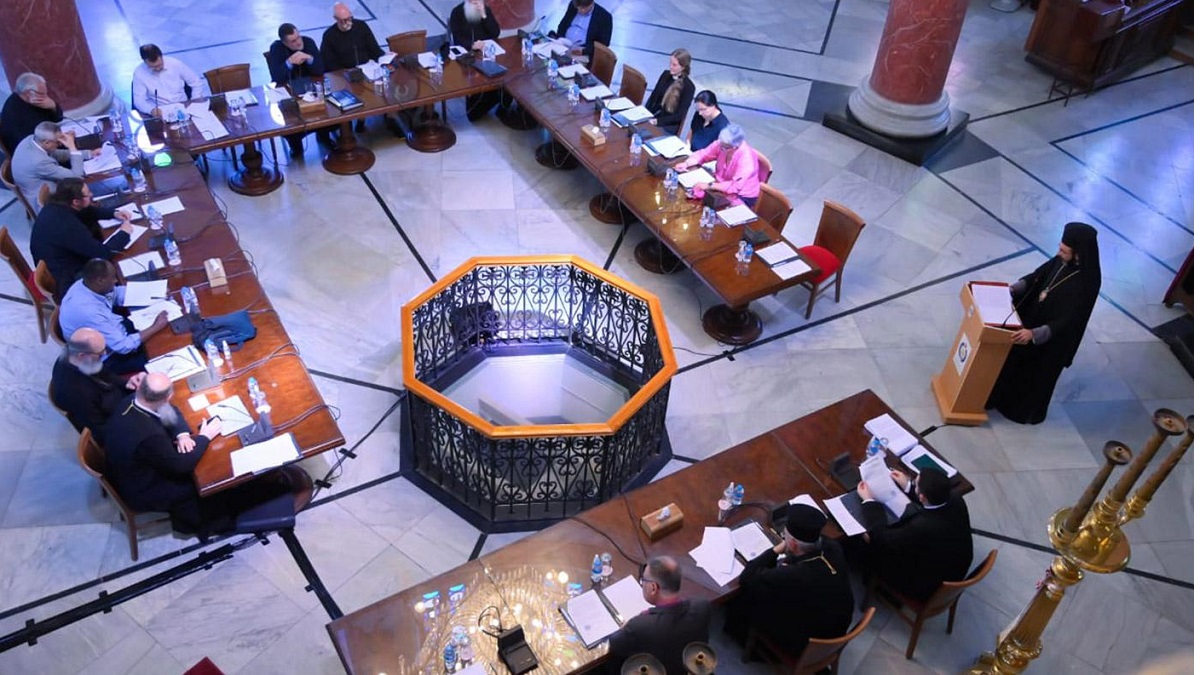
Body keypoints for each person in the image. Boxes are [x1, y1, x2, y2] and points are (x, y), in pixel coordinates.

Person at [104, 373, 312, 538]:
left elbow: (171, 410)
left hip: (137, 467)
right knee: (212, 477)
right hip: (147, 488)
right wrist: (205, 436)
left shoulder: (132, 401)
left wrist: (183, 433)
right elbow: (181, 465)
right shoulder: (147, 437)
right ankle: (227, 517)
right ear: (165, 396)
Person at [987, 222, 1103, 424]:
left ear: (1078, 254)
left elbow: (1071, 320)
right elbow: (1037, 277)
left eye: (1064, 251)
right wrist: (1015, 289)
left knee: (1032, 378)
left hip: (1051, 340)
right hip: (1031, 323)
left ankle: (1018, 411)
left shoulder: (1088, 281)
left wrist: (1036, 334)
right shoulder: (1061, 261)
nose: (1059, 253)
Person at [724, 504, 854, 657]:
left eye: (785, 535)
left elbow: (748, 577)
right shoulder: (834, 549)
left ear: (792, 544)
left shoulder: (794, 575)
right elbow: (822, 540)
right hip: (834, 631)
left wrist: (776, 549)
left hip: (803, 644)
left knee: (746, 598)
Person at [856, 469, 974, 601]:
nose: (913, 484)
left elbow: (882, 538)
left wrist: (868, 501)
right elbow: (932, 500)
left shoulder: (921, 527)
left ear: (922, 497)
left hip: (926, 585)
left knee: (868, 541)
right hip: (953, 567)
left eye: (915, 484)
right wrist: (908, 486)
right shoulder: (955, 498)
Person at [58, 259, 169, 374]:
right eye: (112, 278)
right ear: (100, 280)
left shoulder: (86, 285)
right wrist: (156, 326)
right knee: (163, 353)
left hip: (112, 334)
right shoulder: (89, 312)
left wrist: (154, 292)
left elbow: (115, 294)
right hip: (106, 358)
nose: (116, 280)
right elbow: (123, 346)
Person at [30, 178, 133, 301]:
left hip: (60, 260)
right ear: (75, 201)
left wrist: (113, 213)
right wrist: (124, 233)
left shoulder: (57, 204)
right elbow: (102, 253)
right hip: (67, 277)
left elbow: (87, 211)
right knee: (118, 272)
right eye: (87, 195)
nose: (91, 195)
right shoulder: (66, 225)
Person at [606, 556, 711, 675]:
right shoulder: (703, 606)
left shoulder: (640, 625)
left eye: (643, 581)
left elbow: (614, 645)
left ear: (653, 587)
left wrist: (626, 626)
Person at [50, 327, 146, 437]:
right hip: (118, 423)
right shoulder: (77, 392)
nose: (104, 353)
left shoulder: (75, 357)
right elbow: (101, 430)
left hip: (120, 403)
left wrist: (127, 383)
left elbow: (108, 376)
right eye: (100, 354)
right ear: (82, 356)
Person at [269, 23, 333, 155]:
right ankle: (296, 145)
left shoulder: (308, 42)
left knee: (329, 111)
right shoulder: (276, 49)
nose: (299, 42)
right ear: (284, 43)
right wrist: (289, 62)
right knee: (290, 120)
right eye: (293, 41)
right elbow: (276, 77)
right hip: (290, 93)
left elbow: (320, 69)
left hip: (311, 90)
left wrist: (309, 59)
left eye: (299, 37)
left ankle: (324, 135)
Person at [674, 124, 761, 208]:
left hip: (741, 195)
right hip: (719, 185)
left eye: (724, 147)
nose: (720, 148)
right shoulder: (723, 144)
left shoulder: (746, 160)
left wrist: (709, 185)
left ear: (735, 147)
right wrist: (686, 163)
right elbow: (703, 154)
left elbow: (734, 186)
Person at [10, 121, 87, 212]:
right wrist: (72, 147)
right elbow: (77, 178)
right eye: (58, 142)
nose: (61, 144)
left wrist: (88, 154)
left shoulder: (31, 139)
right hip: (46, 202)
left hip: (35, 188)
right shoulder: (39, 162)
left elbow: (56, 154)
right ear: (47, 143)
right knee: (86, 196)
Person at [449, 0, 503, 120]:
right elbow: (457, 38)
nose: (476, 3)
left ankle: (501, 103)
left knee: (504, 77)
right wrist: (472, 45)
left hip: (487, 55)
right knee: (473, 114)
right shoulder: (457, 12)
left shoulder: (485, 10)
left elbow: (495, 33)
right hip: (468, 58)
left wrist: (484, 15)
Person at [130, 44, 209, 117]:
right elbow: (139, 100)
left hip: (184, 107)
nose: (157, 69)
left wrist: (194, 100)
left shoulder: (175, 64)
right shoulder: (139, 73)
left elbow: (196, 83)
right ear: (145, 62)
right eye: (153, 67)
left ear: (161, 56)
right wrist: (151, 110)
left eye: (159, 65)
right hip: (161, 111)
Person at [0, 72, 64, 154]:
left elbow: (58, 119)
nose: (45, 97)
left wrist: (53, 106)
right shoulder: (16, 113)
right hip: (34, 154)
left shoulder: (32, 100)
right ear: (29, 93)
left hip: (47, 141)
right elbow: (37, 142)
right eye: (42, 94)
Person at [645, 49, 695, 136]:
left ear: (683, 67)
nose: (670, 67)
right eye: (670, 63)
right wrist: (645, 113)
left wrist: (658, 121)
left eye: (674, 65)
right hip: (653, 116)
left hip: (667, 125)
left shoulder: (689, 87)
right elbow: (653, 97)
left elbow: (679, 115)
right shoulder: (665, 75)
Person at [320, 3, 383, 70]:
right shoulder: (329, 35)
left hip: (367, 68)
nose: (348, 22)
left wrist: (385, 58)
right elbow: (328, 63)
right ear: (336, 19)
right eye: (344, 20)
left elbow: (375, 49)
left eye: (349, 18)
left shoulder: (361, 26)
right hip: (344, 73)